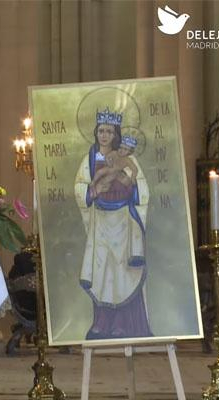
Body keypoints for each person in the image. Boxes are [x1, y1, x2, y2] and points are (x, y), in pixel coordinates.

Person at [74, 108, 151, 340]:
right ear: (96, 132)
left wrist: (129, 186)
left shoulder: (127, 158)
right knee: (101, 271)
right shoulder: (89, 160)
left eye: (109, 131)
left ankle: (121, 323)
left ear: (115, 133)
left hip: (123, 221)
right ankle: (102, 322)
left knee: (121, 271)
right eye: (101, 130)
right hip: (100, 222)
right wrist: (95, 190)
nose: (104, 135)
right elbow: (79, 186)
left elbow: (142, 189)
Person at [89, 135, 139, 200]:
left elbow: (135, 169)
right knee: (99, 172)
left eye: (125, 149)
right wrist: (108, 161)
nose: (121, 150)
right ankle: (93, 182)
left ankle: (97, 191)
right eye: (120, 147)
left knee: (108, 180)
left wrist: (133, 178)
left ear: (130, 152)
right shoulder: (114, 153)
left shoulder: (128, 160)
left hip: (116, 172)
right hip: (109, 168)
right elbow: (107, 156)